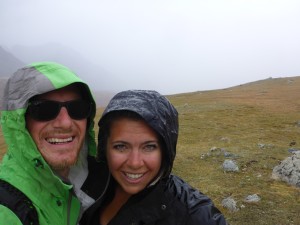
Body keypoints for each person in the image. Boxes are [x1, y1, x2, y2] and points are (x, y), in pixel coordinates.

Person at [80, 90, 228, 225]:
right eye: (121, 146)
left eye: (149, 147)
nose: (135, 163)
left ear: (165, 150)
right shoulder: (88, 185)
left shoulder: (193, 214)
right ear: (105, 148)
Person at [0, 62, 103, 225]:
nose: (66, 123)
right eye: (44, 109)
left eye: (77, 108)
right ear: (19, 123)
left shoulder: (84, 184)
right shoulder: (7, 209)